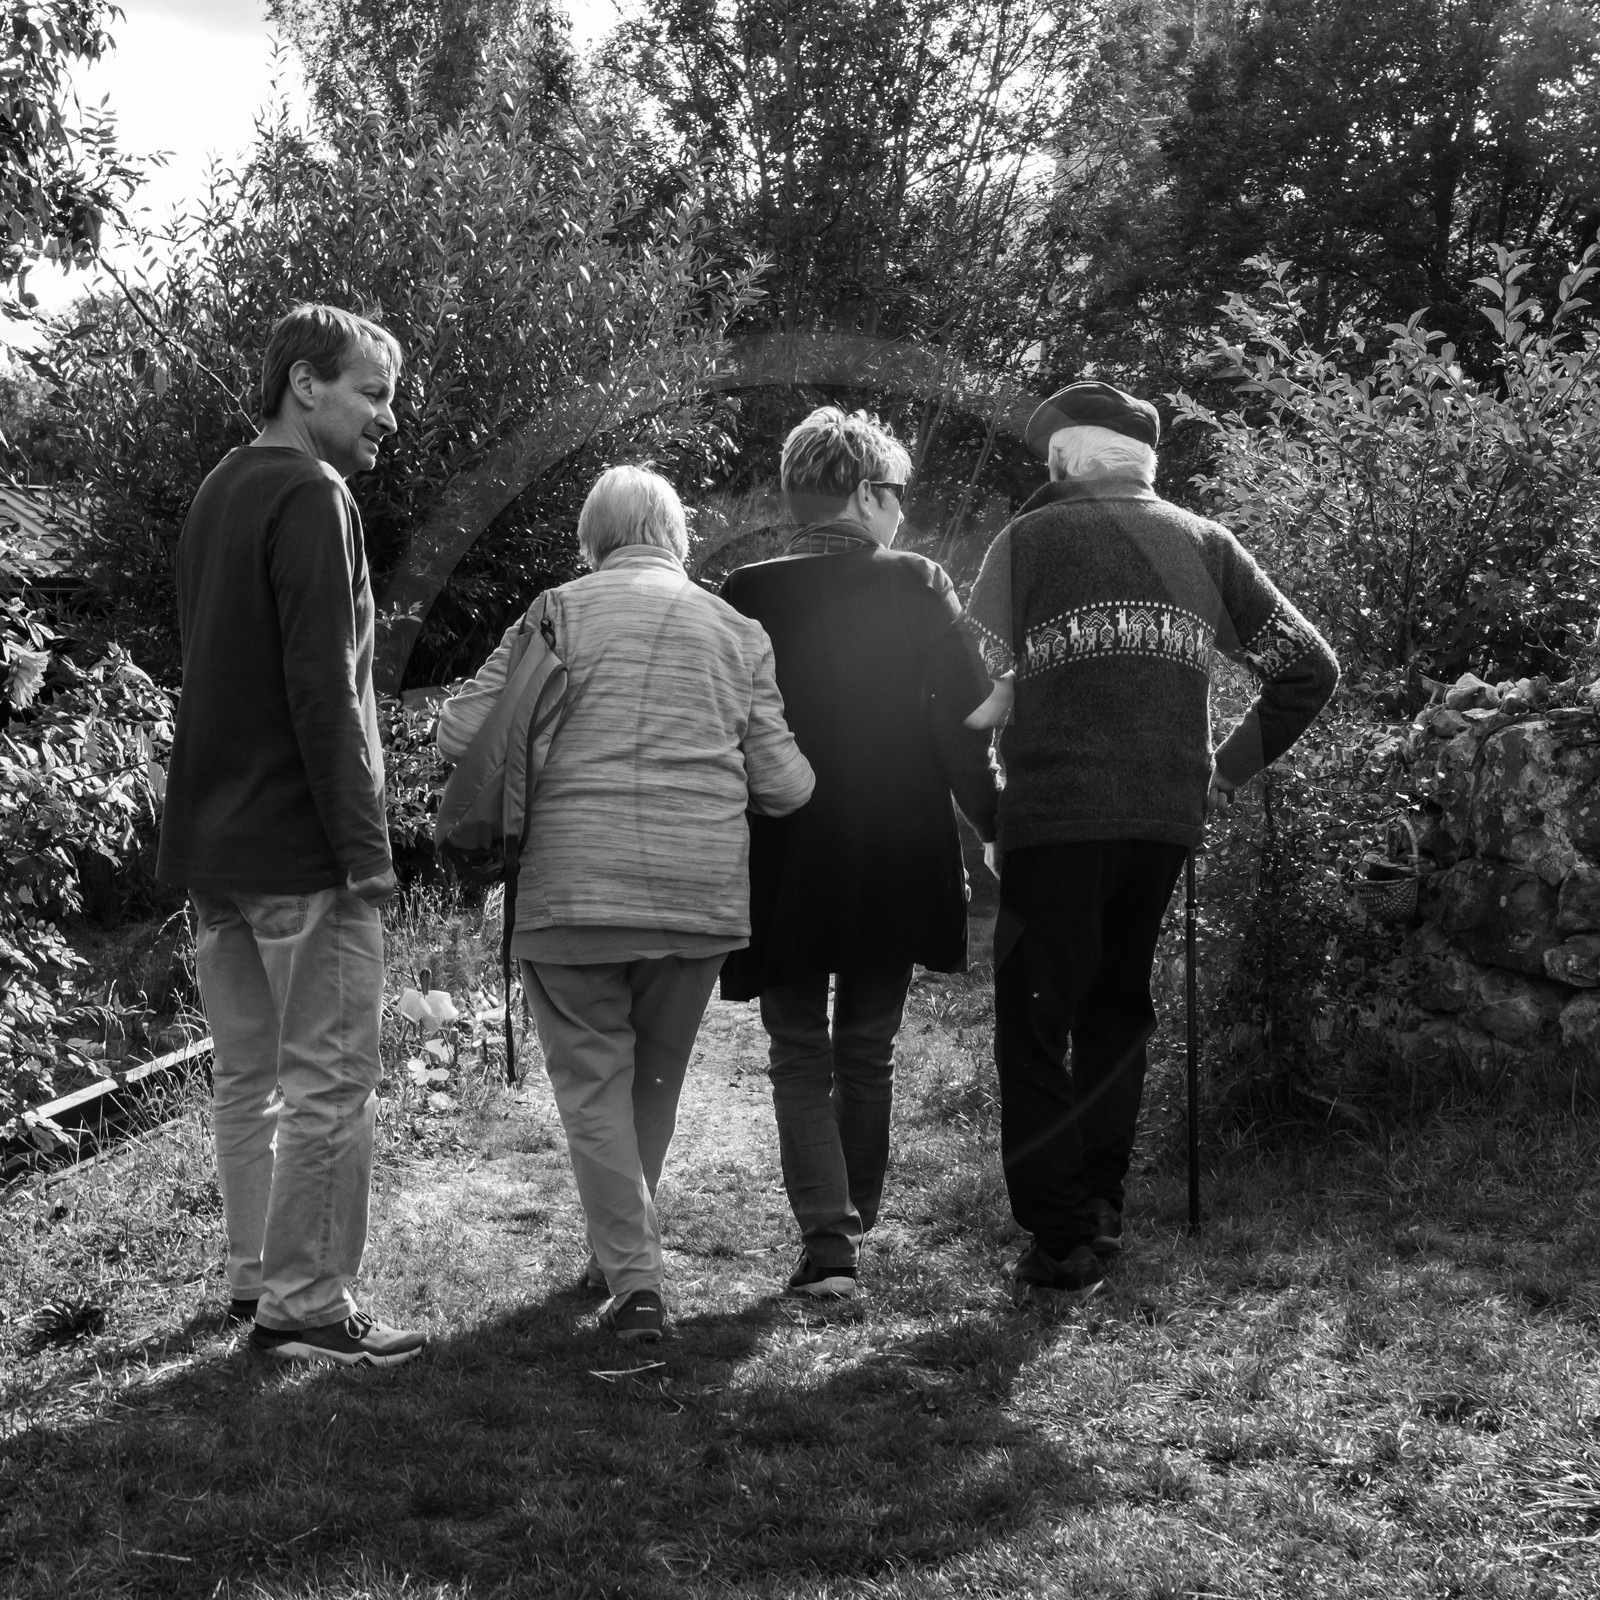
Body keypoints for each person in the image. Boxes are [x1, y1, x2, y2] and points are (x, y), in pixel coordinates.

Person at [965, 380, 1339, 1293]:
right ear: (1144, 464)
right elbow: (1310, 671)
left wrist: (987, 812)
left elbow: (966, 691)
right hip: (1163, 817)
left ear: (1064, 461)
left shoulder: (1030, 539)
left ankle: (1059, 1240)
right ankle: (1099, 1211)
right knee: (1116, 1011)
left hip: (1053, 816)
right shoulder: (1206, 542)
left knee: (1035, 1019)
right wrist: (1221, 769)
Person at [437, 465, 813, 1343]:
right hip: (696, 895)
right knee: (652, 1078)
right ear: (677, 537)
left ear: (592, 541)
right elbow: (785, 786)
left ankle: (635, 1280)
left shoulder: (554, 613)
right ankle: (625, 1255)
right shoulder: (736, 629)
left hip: (569, 892)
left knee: (591, 1084)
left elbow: (461, 733)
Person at [156, 304, 426, 1366]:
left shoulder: (217, 491)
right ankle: (309, 1304)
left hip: (216, 844)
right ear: (303, 384)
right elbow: (323, 689)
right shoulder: (314, 495)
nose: (387, 420)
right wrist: (365, 846)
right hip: (302, 847)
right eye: (372, 392)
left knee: (245, 1076)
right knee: (328, 1082)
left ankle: (257, 1280)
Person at [720, 407, 1001, 1302]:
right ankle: (854, 1217)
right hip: (896, 846)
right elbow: (966, 722)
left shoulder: (746, 591)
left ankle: (830, 1243)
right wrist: (993, 822)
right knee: (868, 1046)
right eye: (898, 497)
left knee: (797, 1048)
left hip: (784, 848)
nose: (904, 516)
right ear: (868, 494)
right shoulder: (918, 582)